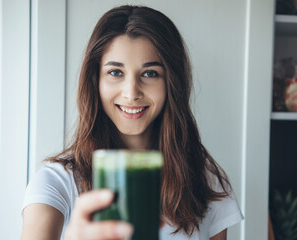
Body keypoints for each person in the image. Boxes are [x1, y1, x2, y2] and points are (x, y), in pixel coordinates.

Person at [21, 5, 243, 240]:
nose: (131, 93)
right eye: (115, 72)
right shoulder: (57, 182)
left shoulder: (207, 181)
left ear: (172, 83)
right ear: (95, 80)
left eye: (150, 74)